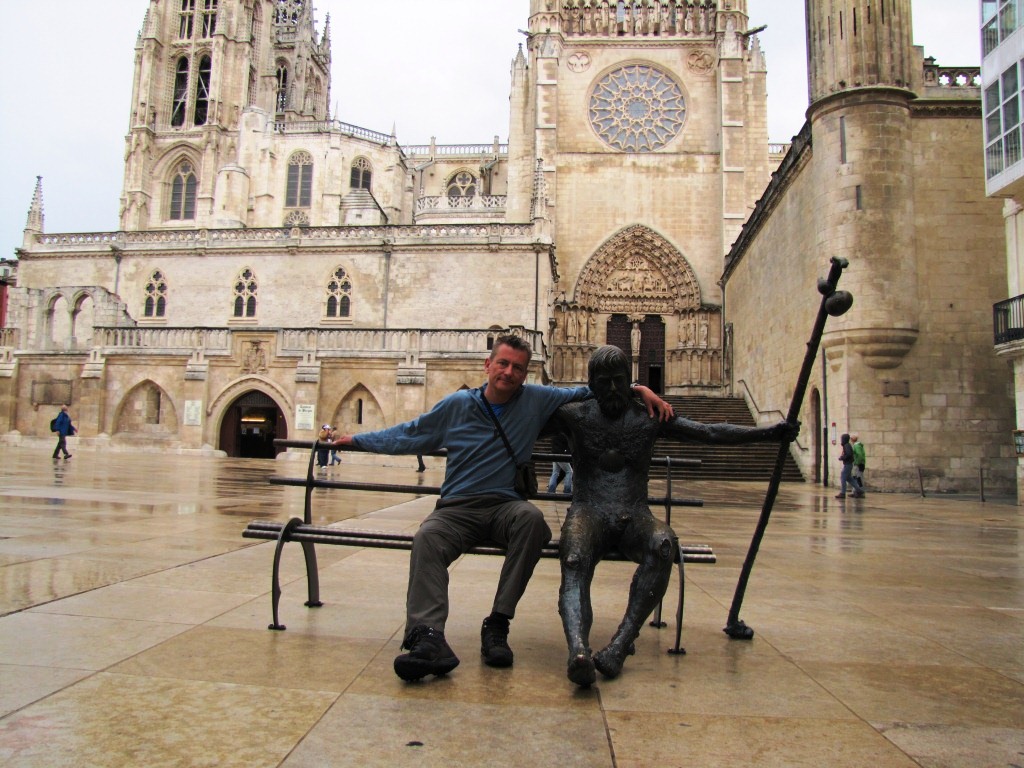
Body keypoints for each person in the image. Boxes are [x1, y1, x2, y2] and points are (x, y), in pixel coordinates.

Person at [331, 334, 673, 682]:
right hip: (456, 508)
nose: (509, 372)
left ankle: (497, 623)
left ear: (526, 374)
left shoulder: (536, 400)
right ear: (488, 365)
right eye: (503, 364)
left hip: (504, 507)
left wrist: (637, 389)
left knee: (532, 521)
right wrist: (356, 440)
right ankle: (428, 638)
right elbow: (410, 434)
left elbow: (595, 390)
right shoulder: (457, 405)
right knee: (427, 538)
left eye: (518, 368)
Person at [546, 346, 798, 686]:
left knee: (664, 544)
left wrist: (769, 432)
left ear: (629, 380)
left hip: (634, 514)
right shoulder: (575, 415)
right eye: (604, 382)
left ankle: (620, 645)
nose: (613, 389)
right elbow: (522, 416)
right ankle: (578, 650)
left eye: (620, 381)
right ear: (591, 383)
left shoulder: (648, 418)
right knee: (574, 557)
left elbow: (709, 432)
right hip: (588, 510)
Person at [836, 433, 854, 498]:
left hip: (848, 464)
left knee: (843, 477)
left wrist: (842, 457)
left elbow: (848, 454)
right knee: (850, 479)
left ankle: (843, 492)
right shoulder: (847, 445)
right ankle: (859, 490)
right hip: (848, 464)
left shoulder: (846, 445)